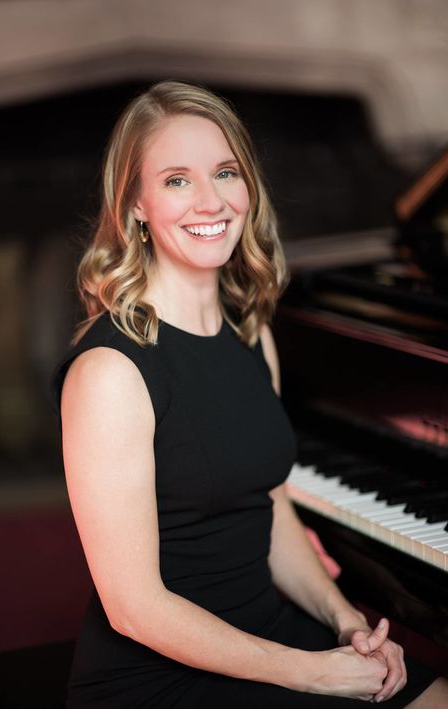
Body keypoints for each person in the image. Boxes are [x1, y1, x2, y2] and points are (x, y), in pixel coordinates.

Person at [51, 80, 446, 708]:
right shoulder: (109, 372)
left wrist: (346, 624)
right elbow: (135, 609)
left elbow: (270, 508)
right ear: (135, 204)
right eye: (177, 180)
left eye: (225, 172)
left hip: (270, 633)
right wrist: (313, 672)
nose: (210, 201)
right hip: (160, 675)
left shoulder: (253, 334)